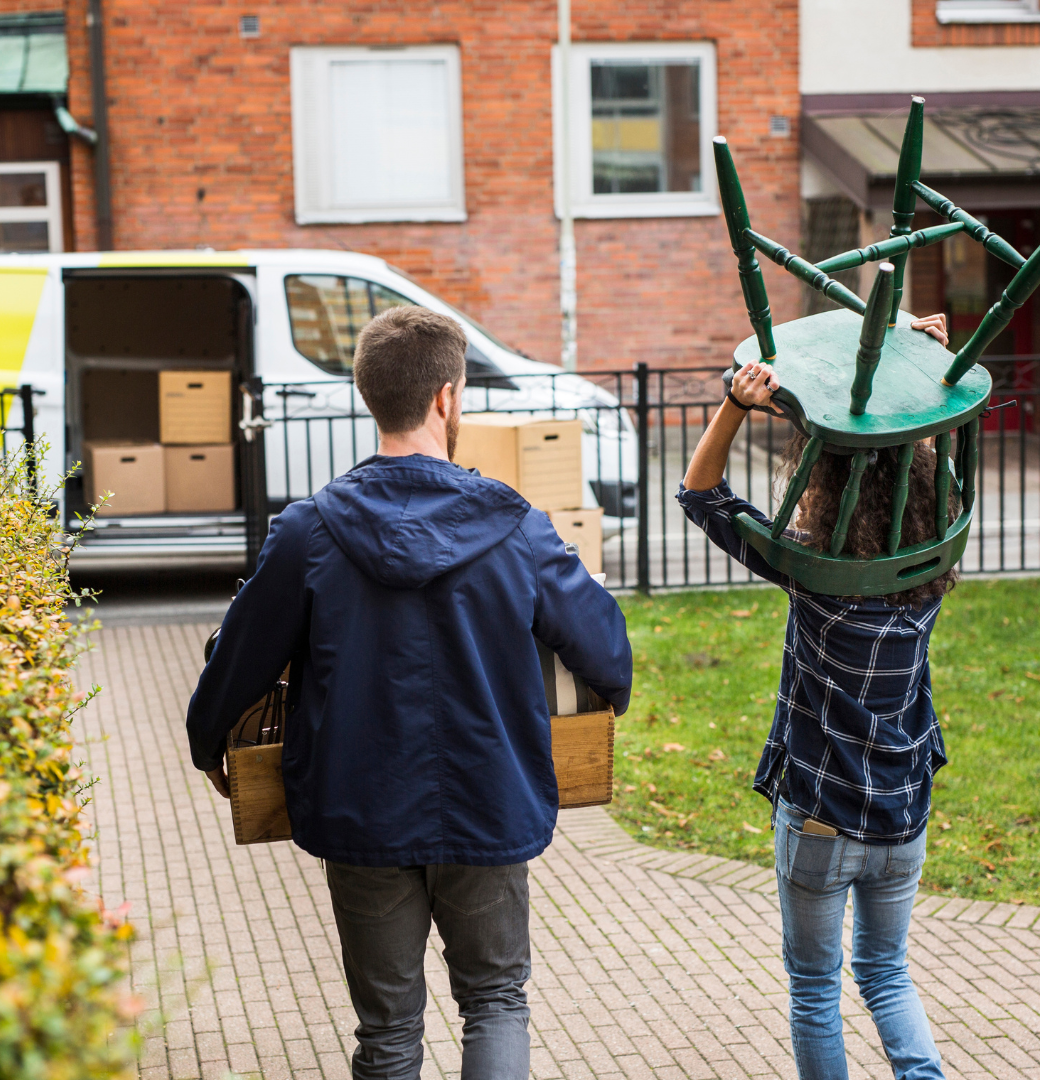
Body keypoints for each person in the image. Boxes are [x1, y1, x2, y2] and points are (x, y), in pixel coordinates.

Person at [186, 304, 632, 1080]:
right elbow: (606, 652)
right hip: (489, 800)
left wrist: (207, 744)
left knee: (388, 1031)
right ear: (448, 398)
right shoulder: (518, 527)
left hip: (361, 808)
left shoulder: (308, 532)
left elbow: (238, 663)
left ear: (370, 396)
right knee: (495, 1000)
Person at [678, 314, 955, 1080]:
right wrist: (914, 354)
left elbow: (701, 496)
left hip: (822, 819)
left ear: (824, 485)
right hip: (903, 813)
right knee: (887, 971)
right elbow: (911, 445)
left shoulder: (813, 575)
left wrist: (736, 405)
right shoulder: (931, 567)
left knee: (813, 987)